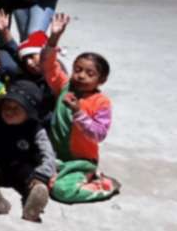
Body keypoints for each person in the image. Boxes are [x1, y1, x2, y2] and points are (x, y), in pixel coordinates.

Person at [41, 13, 120, 204]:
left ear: (101, 80)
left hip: (80, 161)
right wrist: (54, 37)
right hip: (55, 155)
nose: (81, 76)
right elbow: (48, 65)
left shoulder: (101, 102)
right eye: (77, 70)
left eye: (89, 73)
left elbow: (99, 134)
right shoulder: (64, 86)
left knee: (62, 191)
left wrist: (78, 112)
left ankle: (105, 185)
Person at [0, 80, 56, 222]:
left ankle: (32, 205)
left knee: (32, 179)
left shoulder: (36, 129)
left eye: (16, 108)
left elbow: (48, 153)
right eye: (6, 107)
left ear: (29, 111)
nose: (9, 111)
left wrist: (43, 174)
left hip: (23, 168)